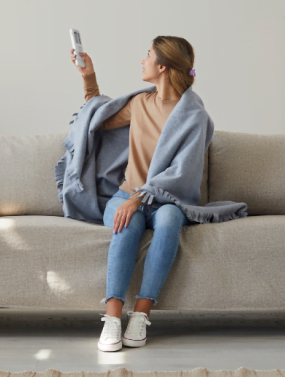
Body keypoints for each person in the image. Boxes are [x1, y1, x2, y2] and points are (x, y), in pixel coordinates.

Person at [70, 36, 197, 352]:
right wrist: (88, 77)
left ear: (162, 67)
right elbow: (96, 120)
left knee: (168, 219)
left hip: (167, 199)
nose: (143, 60)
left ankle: (141, 314)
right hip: (125, 196)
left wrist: (138, 198)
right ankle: (112, 316)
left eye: (148, 55)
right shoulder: (141, 104)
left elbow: (183, 172)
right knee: (128, 222)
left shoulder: (192, 114)